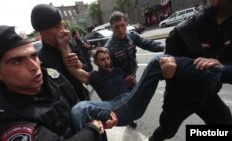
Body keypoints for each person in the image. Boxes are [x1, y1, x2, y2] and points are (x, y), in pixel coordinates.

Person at [55, 30, 223, 132]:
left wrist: (132, 84)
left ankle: (218, 73)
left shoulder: (120, 71)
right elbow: (73, 70)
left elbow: (137, 89)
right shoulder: (95, 77)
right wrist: (64, 45)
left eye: (107, 58)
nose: (106, 62)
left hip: (133, 102)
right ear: (96, 63)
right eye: (102, 60)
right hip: (114, 109)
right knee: (79, 108)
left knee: (158, 60)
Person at [0, 25, 117, 141]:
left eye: (33, 56)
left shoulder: (53, 77)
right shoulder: (1, 121)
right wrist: (93, 129)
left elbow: (80, 107)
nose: (34, 66)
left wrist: (101, 121)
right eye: (17, 61)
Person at [150, 0, 232, 140]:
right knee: (167, 131)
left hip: (207, 94)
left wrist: (221, 63)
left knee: (224, 121)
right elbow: (164, 67)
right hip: (180, 97)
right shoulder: (184, 30)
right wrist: (168, 72)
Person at [31, 4, 90, 101]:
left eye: (62, 25)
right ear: (42, 32)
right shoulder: (41, 60)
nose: (62, 30)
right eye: (56, 27)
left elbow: (89, 69)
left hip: (85, 97)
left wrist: (79, 64)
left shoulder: (71, 44)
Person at [105, 11, 164, 90]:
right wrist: (122, 80)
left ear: (126, 24)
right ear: (111, 28)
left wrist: (165, 47)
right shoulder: (108, 48)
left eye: (122, 25)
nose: (120, 29)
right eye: (116, 27)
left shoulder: (132, 36)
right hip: (120, 83)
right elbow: (107, 71)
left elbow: (147, 44)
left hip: (133, 75)